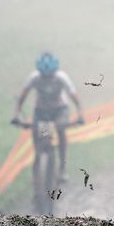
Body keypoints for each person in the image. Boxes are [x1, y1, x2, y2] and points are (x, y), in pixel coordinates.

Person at [12, 52, 84, 183]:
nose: (47, 79)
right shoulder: (34, 78)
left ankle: (62, 168)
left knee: (61, 130)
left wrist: (80, 113)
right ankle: (39, 171)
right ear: (39, 72)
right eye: (44, 77)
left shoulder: (62, 78)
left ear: (55, 72)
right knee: (41, 139)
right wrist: (16, 114)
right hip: (42, 112)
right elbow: (23, 95)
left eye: (50, 76)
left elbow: (73, 95)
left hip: (59, 110)